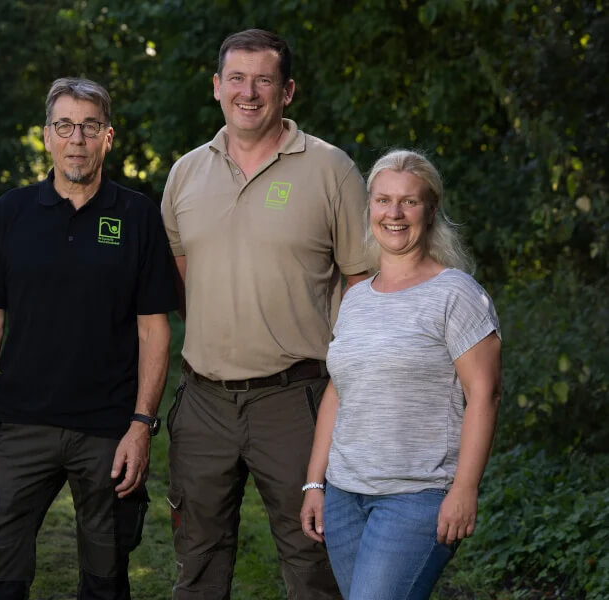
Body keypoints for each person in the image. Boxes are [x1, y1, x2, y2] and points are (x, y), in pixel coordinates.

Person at [161, 28, 369, 599]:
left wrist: (344, 381)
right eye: (236, 78)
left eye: (263, 80)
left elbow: (363, 283)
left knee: (313, 560)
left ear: (288, 91)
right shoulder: (184, 174)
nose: (248, 92)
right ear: (216, 87)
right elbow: (180, 276)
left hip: (295, 400)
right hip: (203, 401)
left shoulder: (331, 170)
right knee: (197, 562)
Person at [0, 77, 177, 599]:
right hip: (18, 424)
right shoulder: (12, 213)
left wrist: (141, 426)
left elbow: (154, 329)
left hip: (107, 428)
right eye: (64, 126)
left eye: (89, 126)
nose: (76, 138)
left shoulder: (138, 216)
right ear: (46, 136)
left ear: (108, 136)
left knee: (105, 580)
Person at [299, 149, 502, 599]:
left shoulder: (456, 294)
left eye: (409, 201)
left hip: (416, 499)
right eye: (383, 200)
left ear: (430, 211)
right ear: (369, 207)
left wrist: (465, 490)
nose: (394, 213)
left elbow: (484, 395)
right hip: (345, 498)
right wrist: (317, 483)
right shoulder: (356, 298)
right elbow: (339, 391)